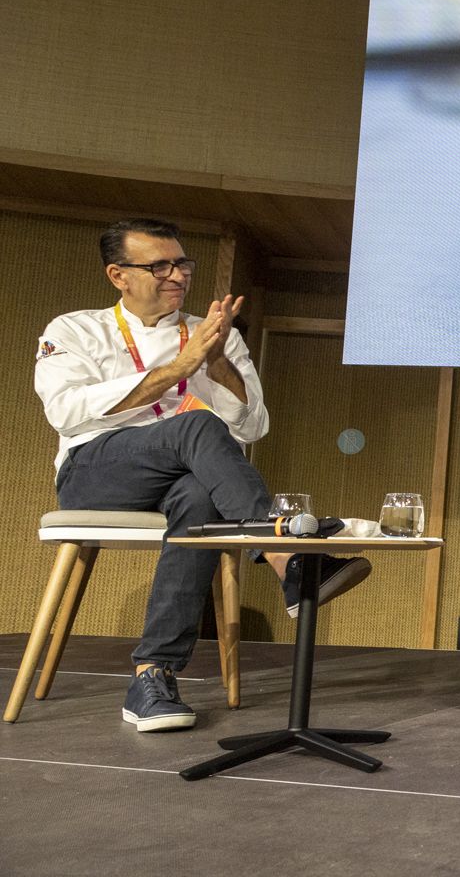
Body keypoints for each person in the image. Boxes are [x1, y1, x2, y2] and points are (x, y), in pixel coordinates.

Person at [33, 218, 370, 733]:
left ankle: (153, 675)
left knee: (200, 495)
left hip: (179, 482)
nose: (177, 276)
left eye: (182, 264)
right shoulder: (74, 329)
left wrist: (216, 365)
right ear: (118, 275)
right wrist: (176, 368)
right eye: (159, 266)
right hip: (95, 470)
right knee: (195, 426)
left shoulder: (210, 334)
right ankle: (285, 556)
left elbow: (253, 425)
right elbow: (66, 411)